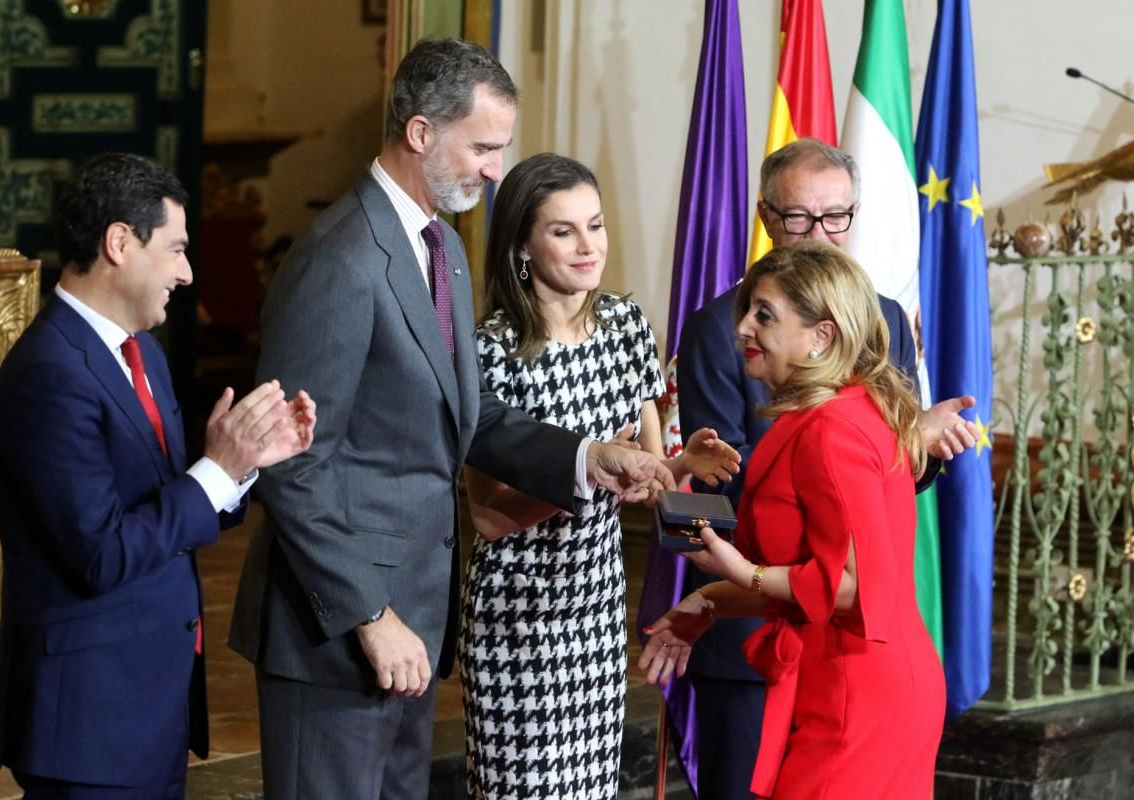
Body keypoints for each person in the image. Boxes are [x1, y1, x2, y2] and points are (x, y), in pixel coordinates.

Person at [226, 41, 674, 800]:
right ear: (422, 134)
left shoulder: (441, 249)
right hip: (336, 634)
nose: (497, 170)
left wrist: (586, 458)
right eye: (485, 148)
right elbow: (290, 464)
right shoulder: (339, 259)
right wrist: (371, 615)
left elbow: (469, 415)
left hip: (416, 630)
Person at [0, 152, 316, 799]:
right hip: (86, 723)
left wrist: (241, 466)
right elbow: (101, 555)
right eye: (177, 249)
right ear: (119, 243)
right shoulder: (52, 374)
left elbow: (165, 510)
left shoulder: (143, 355)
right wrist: (215, 471)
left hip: (144, 708)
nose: (188, 273)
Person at [670, 138, 978, 798]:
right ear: (766, 215)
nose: (744, 328)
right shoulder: (818, 408)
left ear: (824, 336)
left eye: (836, 216)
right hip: (789, 645)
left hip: (847, 670)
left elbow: (851, 579)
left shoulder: (835, 426)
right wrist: (709, 592)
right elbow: (723, 494)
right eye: (800, 217)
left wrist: (736, 575)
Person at [457, 153, 739, 799]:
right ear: (523, 246)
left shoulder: (626, 327)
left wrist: (676, 465)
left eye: (596, 225)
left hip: (594, 607)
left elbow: (643, 473)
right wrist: (586, 476)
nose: (589, 247)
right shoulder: (491, 350)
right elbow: (488, 516)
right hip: (517, 617)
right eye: (564, 231)